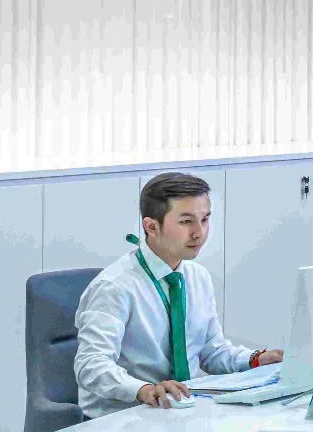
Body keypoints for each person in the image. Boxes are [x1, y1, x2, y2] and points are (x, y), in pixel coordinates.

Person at [73, 172, 283, 418]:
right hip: (123, 418)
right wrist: (143, 390)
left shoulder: (197, 277)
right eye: (186, 222)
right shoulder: (114, 287)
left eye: (204, 219)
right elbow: (91, 365)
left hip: (181, 410)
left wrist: (256, 359)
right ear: (151, 227)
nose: (199, 233)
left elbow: (212, 352)